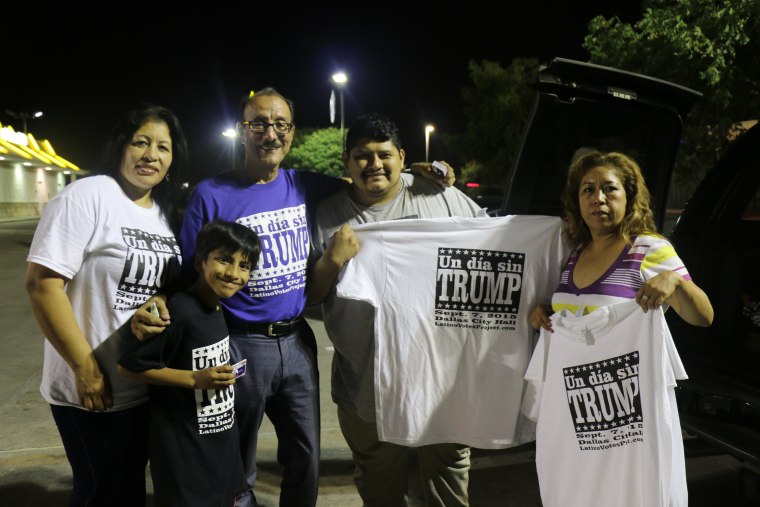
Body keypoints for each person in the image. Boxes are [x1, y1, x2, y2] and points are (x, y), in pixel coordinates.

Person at [130, 88, 451, 506]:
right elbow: (187, 272)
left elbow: (369, 180)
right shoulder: (212, 193)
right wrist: (156, 301)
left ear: (292, 133)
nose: (270, 133)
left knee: (305, 460)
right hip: (237, 342)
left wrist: (425, 171)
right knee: (237, 460)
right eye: (258, 124)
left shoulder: (305, 184)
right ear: (243, 131)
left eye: (280, 125)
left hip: (298, 343)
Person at [308, 113, 484, 507]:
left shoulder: (437, 195)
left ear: (402, 157)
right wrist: (331, 260)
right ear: (346, 162)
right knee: (380, 488)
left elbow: (496, 243)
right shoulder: (328, 215)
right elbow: (312, 296)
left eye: (384, 155)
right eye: (362, 156)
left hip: (442, 382)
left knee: (449, 485)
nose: (374, 165)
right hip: (366, 387)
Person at [525, 151, 713, 506]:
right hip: (579, 418)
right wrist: (546, 313)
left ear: (628, 197)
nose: (598, 198)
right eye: (588, 190)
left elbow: (703, 316)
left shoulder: (648, 248)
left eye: (609, 189)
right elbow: (583, 313)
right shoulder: (573, 257)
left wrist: (674, 281)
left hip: (628, 422)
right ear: (576, 199)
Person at [24, 103, 188, 506]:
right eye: (141, 142)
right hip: (90, 386)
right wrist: (85, 367)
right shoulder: (89, 195)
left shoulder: (166, 215)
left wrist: (160, 299)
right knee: (100, 490)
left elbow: (164, 285)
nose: (151, 155)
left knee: (129, 486)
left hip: (143, 384)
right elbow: (43, 285)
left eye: (163, 147)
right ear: (121, 146)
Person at [118, 220, 260, 507]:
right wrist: (194, 379)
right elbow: (130, 366)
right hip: (184, 453)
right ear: (199, 261)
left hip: (219, 446)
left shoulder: (218, 306)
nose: (233, 273)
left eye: (243, 265)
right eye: (223, 260)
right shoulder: (177, 311)